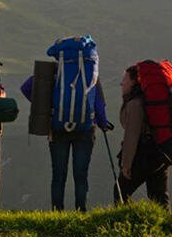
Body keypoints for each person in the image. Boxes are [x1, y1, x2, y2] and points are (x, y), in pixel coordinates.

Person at [20, 72, 110, 212]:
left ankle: (57, 212)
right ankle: (81, 212)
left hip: (58, 128)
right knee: (81, 175)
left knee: (58, 175)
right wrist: (102, 123)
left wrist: (46, 107)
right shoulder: (91, 71)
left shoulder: (56, 70)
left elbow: (26, 87)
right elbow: (99, 104)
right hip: (85, 129)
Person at [115, 65, 170, 209]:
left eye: (125, 80)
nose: (121, 83)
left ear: (134, 82)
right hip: (161, 153)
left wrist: (126, 165)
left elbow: (131, 137)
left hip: (143, 155)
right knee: (159, 196)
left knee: (120, 191)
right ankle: (166, 223)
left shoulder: (135, 104)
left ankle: (125, 220)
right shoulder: (147, 100)